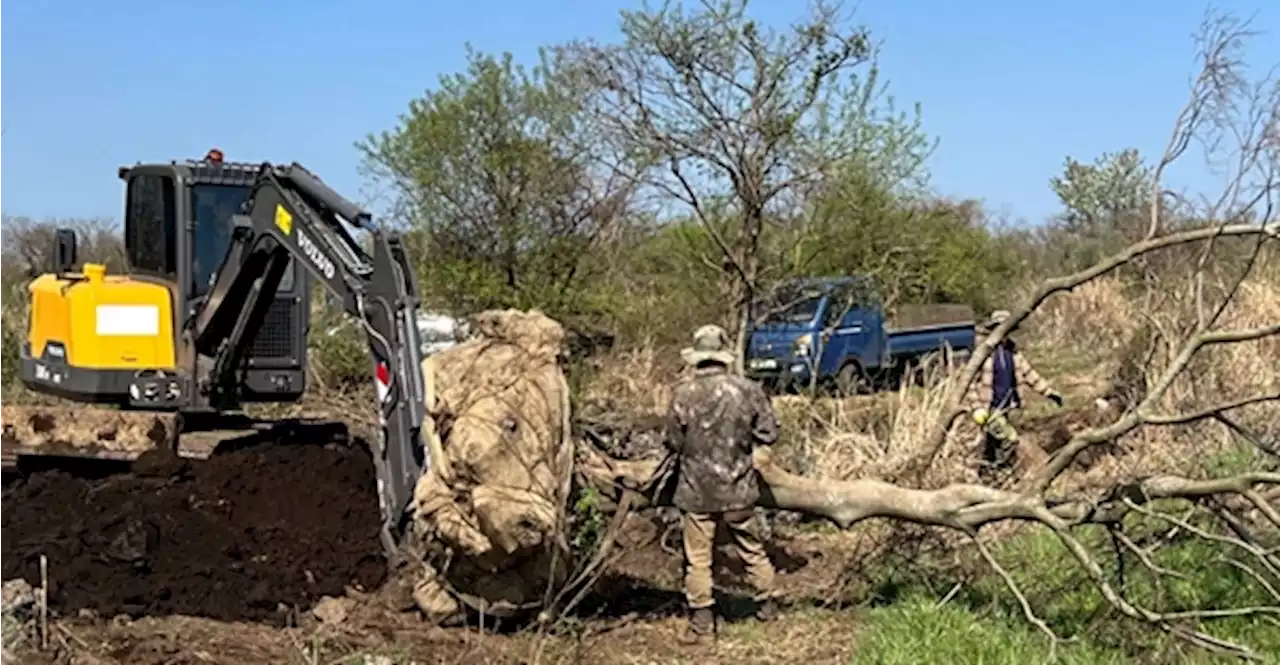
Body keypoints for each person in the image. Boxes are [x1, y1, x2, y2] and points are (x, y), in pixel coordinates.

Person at [664, 324, 781, 643]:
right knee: (753, 550)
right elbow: (769, 433)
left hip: (696, 492)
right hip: (739, 489)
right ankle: (767, 608)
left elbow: (673, 442)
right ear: (723, 355)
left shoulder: (682, 394)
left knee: (698, 560)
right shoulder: (748, 390)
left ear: (697, 358)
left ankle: (703, 625)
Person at [965, 310, 1064, 480]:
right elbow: (969, 382)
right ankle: (1002, 474)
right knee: (1009, 439)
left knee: (992, 442)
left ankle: (988, 475)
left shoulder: (1013, 351)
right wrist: (977, 408)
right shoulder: (983, 352)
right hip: (989, 407)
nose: (1005, 332)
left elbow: (1029, 373)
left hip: (1008, 406)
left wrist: (1049, 392)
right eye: (1001, 328)